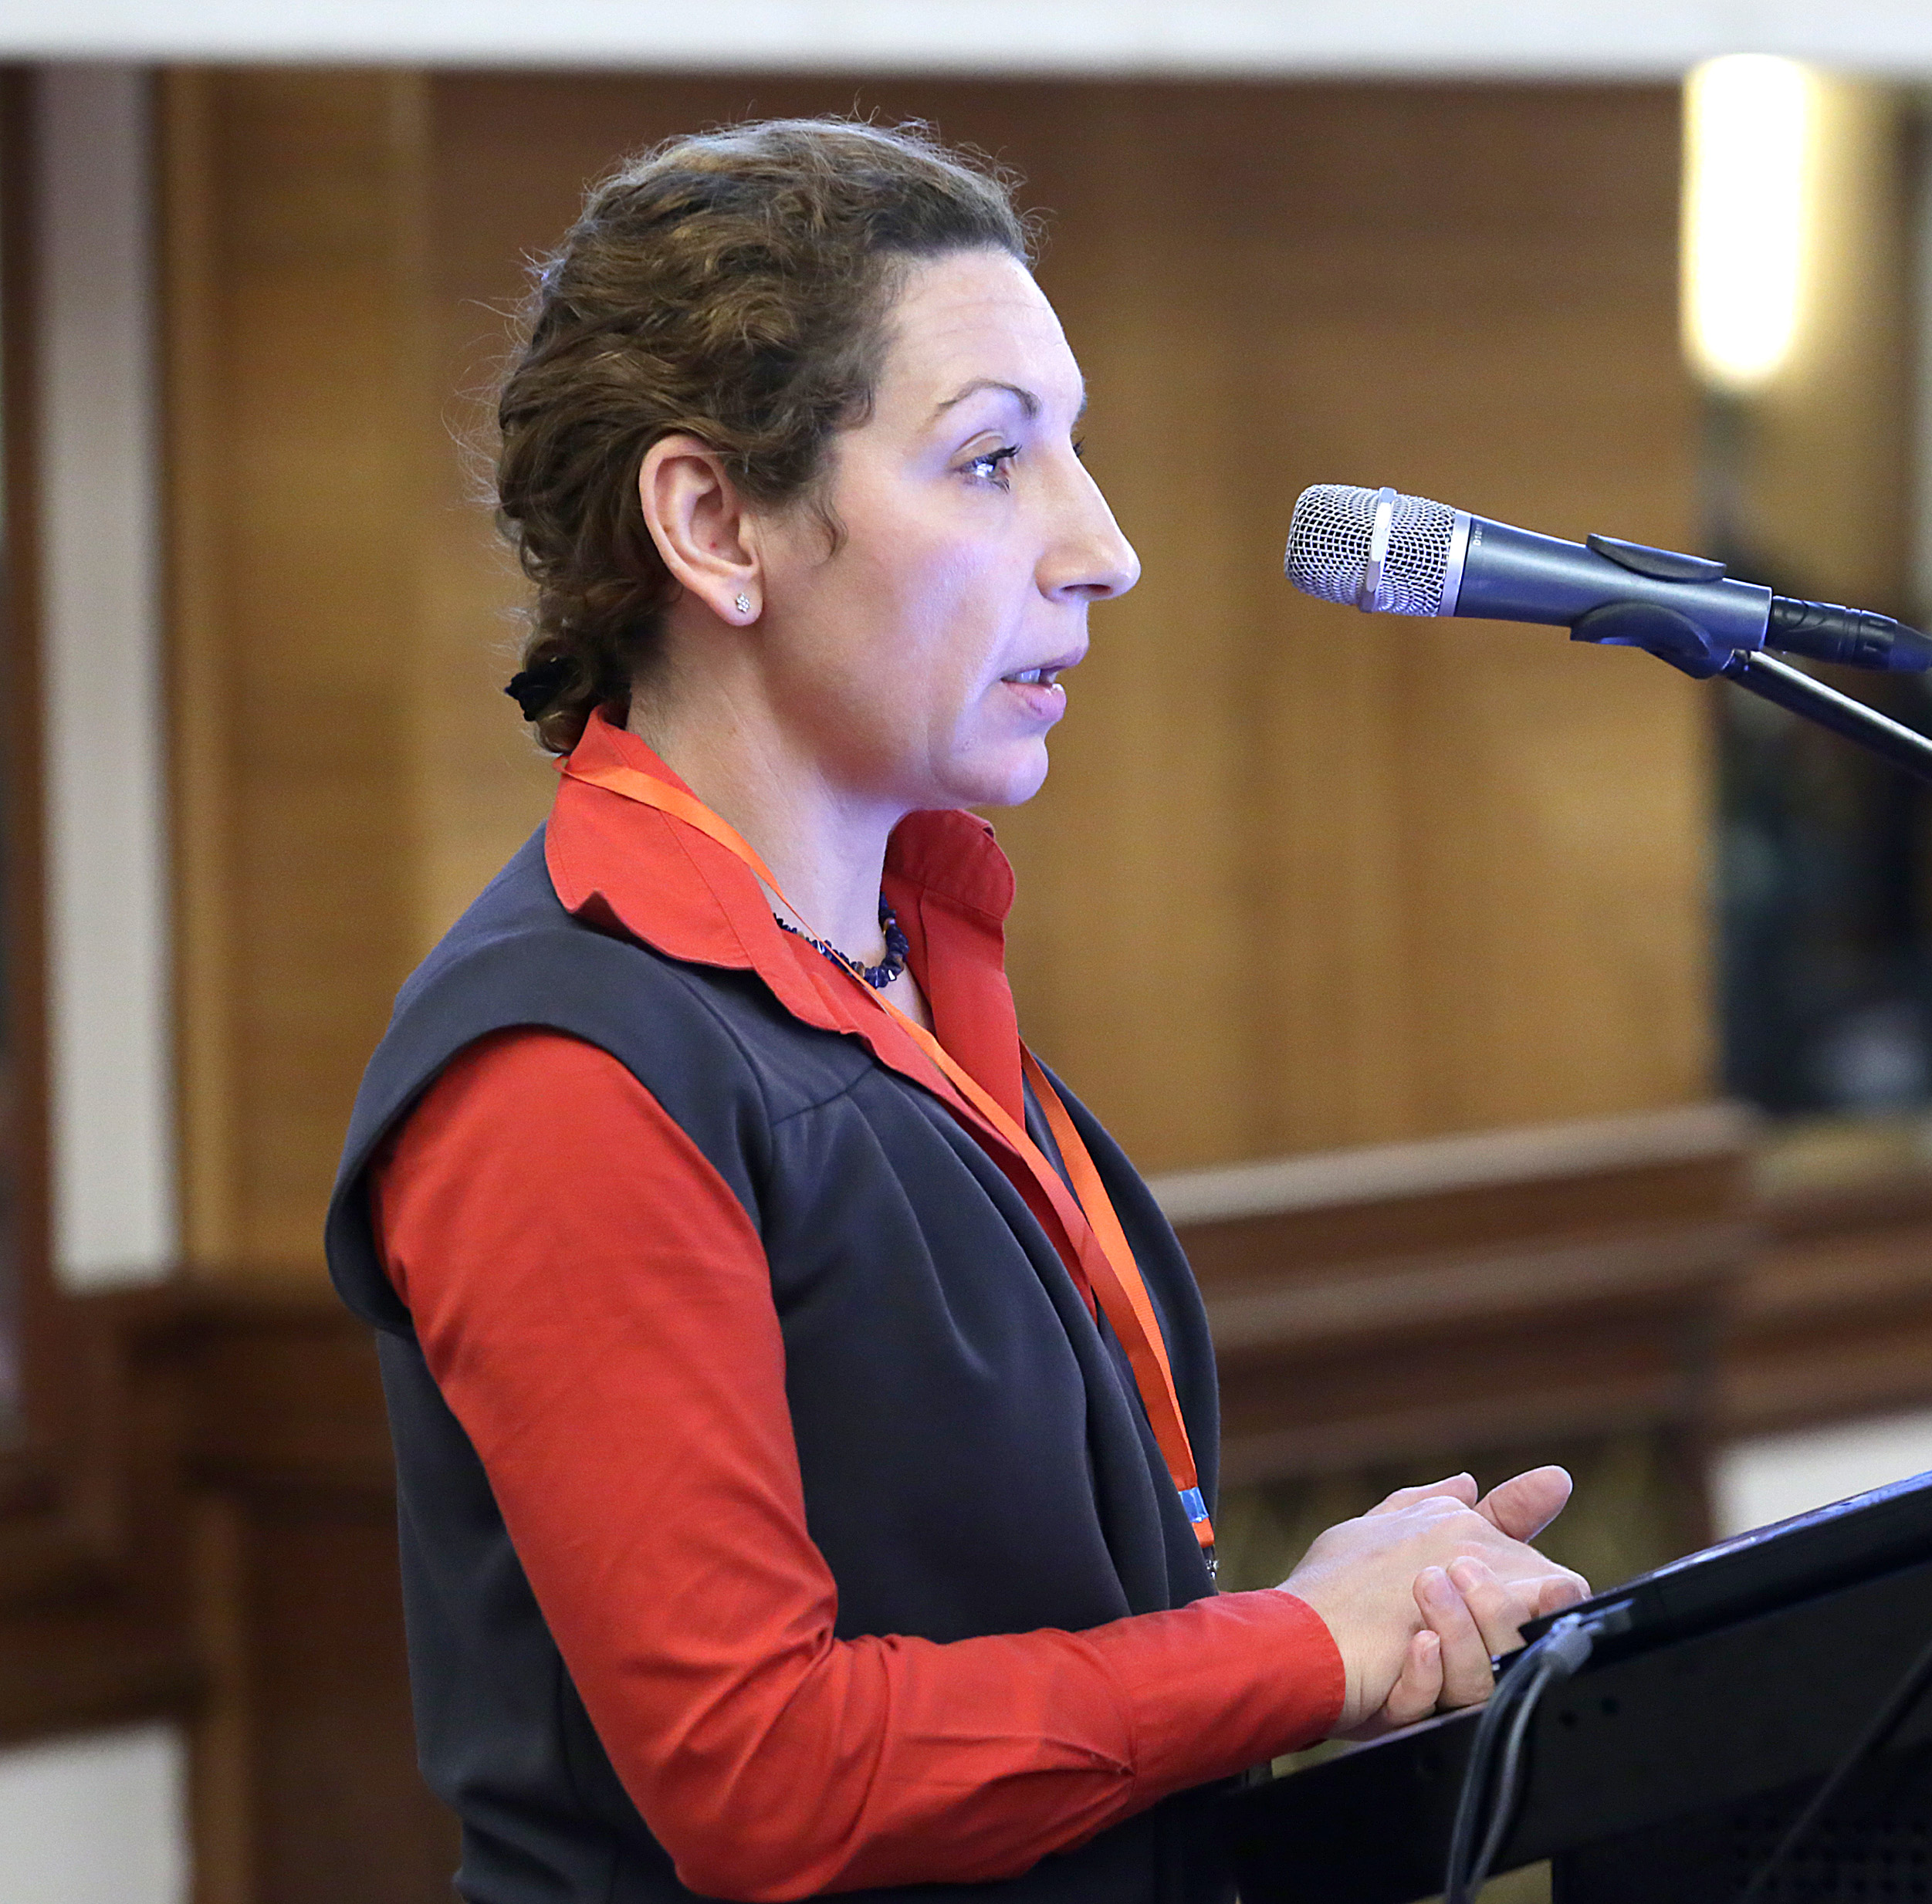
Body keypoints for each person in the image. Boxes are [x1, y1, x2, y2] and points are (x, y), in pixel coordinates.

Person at [322, 118, 1589, 1904]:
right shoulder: (567, 1063)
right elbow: (764, 1773)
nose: (1102, 546)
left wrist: (1313, 1628)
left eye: (1068, 449)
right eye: (992, 459)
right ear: (712, 522)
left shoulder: (905, 959)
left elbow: (990, 1630)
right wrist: (1298, 1649)